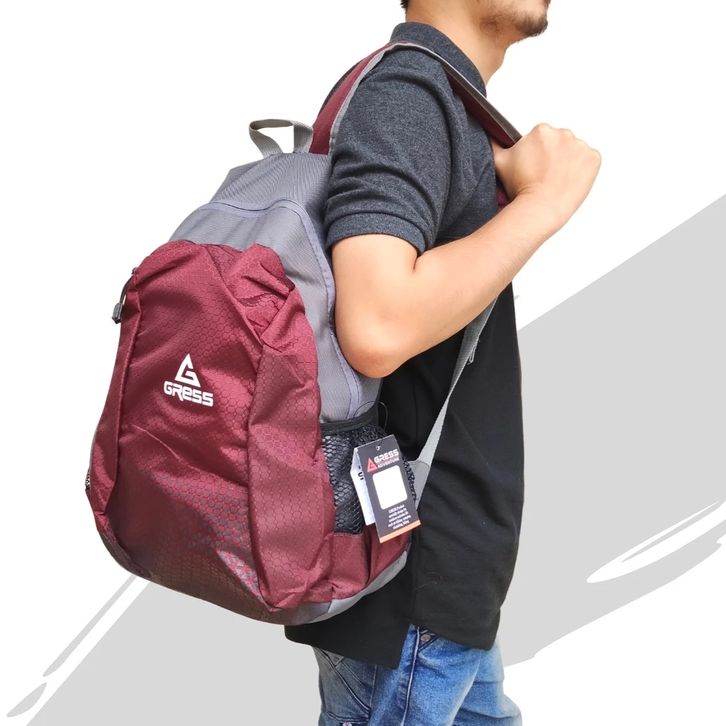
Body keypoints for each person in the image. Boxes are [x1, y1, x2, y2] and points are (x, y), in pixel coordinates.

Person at [284, 1, 601, 723]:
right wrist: (543, 202)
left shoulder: (437, 99)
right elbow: (377, 324)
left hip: (434, 576)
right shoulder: (410, 94)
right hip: (410, 582)